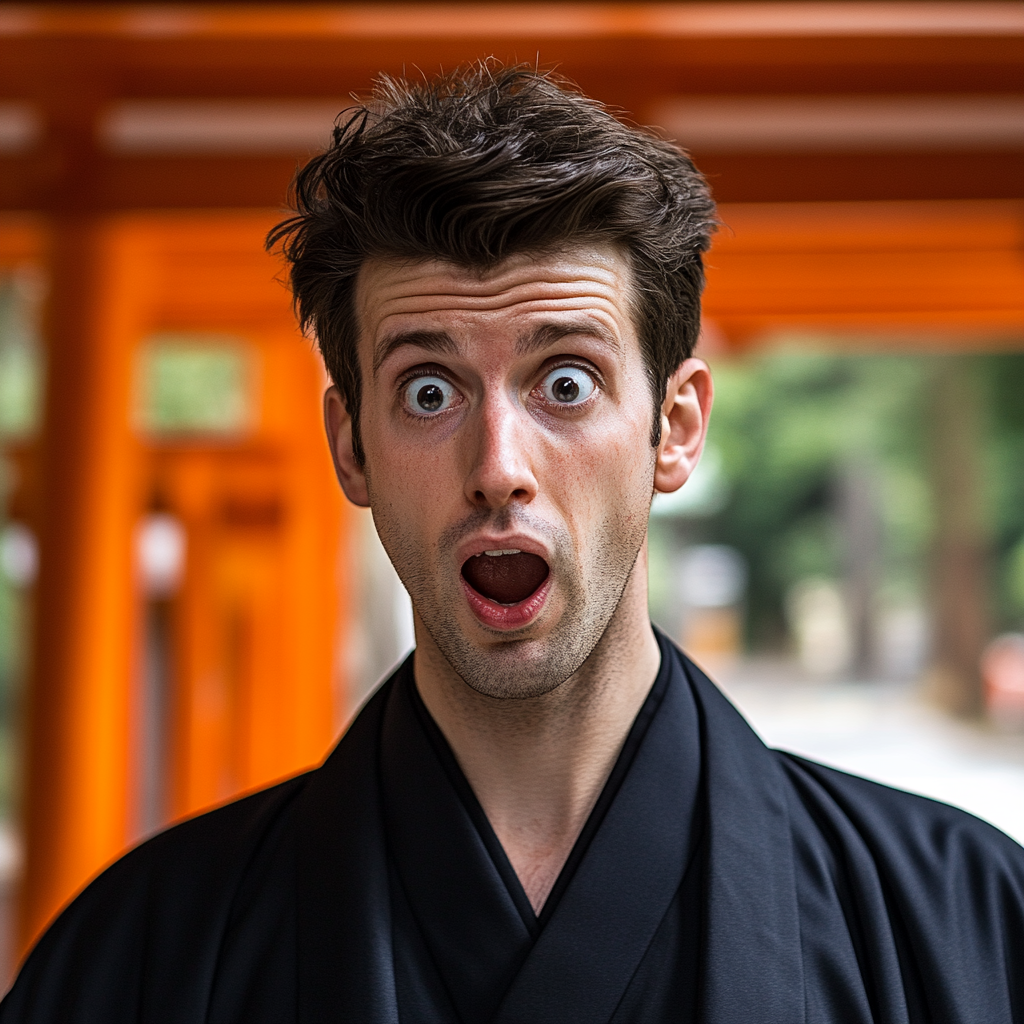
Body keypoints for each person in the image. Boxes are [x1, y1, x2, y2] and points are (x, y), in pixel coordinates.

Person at [3, 63, 1023, 1024]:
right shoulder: (142, 954)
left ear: (674, 429)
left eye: (565, 382)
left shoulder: (961, 922)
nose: (498, 465)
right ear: (350, 445)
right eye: (429, 390)